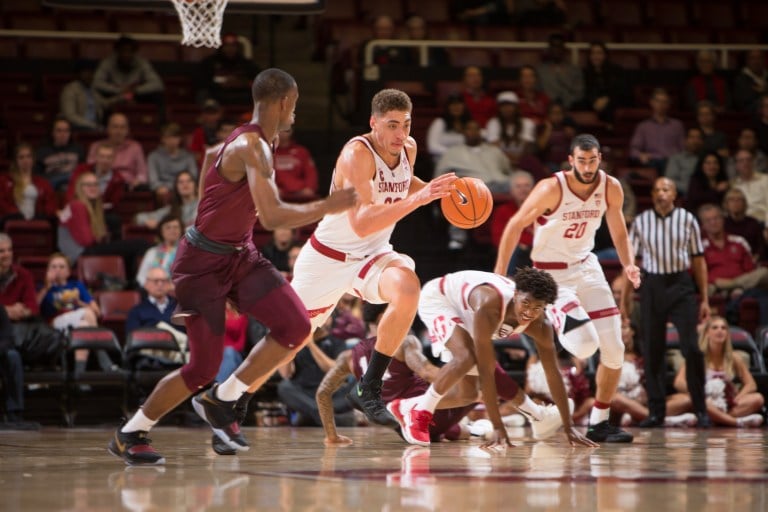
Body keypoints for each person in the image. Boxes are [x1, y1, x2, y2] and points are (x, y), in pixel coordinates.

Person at [107, 68, 357, 465]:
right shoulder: (253, 146)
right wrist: (329, 205)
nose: (297, 110)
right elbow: (273, 218)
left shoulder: (259, 138)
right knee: (202, 367)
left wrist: (216, 209)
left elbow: (209, 156)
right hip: (201, 264)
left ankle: (222, 399)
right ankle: (131, 431)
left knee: (296, 326)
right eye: (296, 103)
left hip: (239, 255)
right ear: (285, 102)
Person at [275, 88, 456, 431]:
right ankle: (233, 397)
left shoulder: (409, 148)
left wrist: (435, 189)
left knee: (407, 288)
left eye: (406, 124)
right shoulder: (357, 154)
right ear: (373, 123)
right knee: (286, 343)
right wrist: (422, 199)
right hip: (328, 258)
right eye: (391, 125)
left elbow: (404, 184)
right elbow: (361, 223)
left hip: (372, 256)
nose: (401, 134)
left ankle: (369, 387)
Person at [494, 134, 641, 443]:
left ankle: (599, 421)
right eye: (581, 160)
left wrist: (628, 264)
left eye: (593, 160)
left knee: (615, 349)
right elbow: (515, 225)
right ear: (571, 160)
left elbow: (618, 229)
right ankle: (550, 320)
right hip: (551, 274)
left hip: (587, 267)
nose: (587, 166)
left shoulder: (610, 187)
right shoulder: (551, 188)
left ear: (600, 158)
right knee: (586, 346)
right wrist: (499, 273)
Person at [398, 268, 596, 448]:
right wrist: (498, 426)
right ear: (516, 294)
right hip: (441, 298)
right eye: (525, 303)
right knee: (466, 357)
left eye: (537, 308)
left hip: (467, 310)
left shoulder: (542, 327)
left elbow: (553, 374)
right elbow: (486, 370)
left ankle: (406, 407)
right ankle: (419, 414)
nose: (528, 313)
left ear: (545, 307)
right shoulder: (491, 305)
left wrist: (569, 426)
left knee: (466, 395)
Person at [317, 302, 547, 446]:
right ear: (385, 316)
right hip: (427, 412)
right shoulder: (403, 341)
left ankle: (473, 426)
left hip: (404, 428)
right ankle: (488, 421)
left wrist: (331, 435)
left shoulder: (347, 357)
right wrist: (458, 374)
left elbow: (323, 393)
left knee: (455, 433)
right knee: (475, 372)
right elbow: (427, 373)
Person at [625, 177, 711, 428]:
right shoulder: (641, 221)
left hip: (681, 284)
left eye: (667, 189)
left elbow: (698, 260)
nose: (662, 193)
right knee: (652, 350)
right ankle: (656, 411)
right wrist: (625, 301)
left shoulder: (688, 219)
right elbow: (631, 264)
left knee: (692, 348)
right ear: (652, 194)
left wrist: (704, 297)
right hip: (652, 284)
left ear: (674, 194)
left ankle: (700, 408)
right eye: (658, 189)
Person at [666, 316, 764, 428]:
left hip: (725, 402)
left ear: (727, 333)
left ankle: (717, 419)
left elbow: (751, 384)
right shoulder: (697, 357)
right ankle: (734, 422)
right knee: (695, 400)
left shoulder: (734, 358)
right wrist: (700, 391)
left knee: (758, 398)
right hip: (704, 400)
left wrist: (738, 397)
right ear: (707, 333)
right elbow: (679, 382)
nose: (720, 331)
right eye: (715, 328)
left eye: (723, 328)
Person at [276, 313, 353, 428]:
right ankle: (322, 415)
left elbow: (335, 370)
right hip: (305, 394)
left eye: (326, 317)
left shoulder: (337, 342)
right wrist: (290, 346)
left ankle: (314, 415)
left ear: (330, 320)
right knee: (284, 387)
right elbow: (286, 374)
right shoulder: (296, 342)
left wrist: (311, 345)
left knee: (357, 384)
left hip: (332, 395)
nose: (321, 321)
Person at [0, 234, 40, 430]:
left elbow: (32, 308)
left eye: (9, 250)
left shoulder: (23, 275)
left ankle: (15, 414)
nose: (6, 255)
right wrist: (7, 310)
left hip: (11, 333)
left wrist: (17, 311)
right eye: (1, 251)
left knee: (13, 356)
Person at [92, 35, 165, 114]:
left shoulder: (141, 63)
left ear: (134, 52)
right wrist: (118, 90)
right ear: (117, 51)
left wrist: (135, 90)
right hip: (114, 95)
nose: (126, 54)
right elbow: (96, 83)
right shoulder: (108, 63)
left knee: (158, 95)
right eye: (123, 51)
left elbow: (158, 84)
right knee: (95, 94)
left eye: (129, 51)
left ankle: (161, 125)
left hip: (135, 95)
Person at [629, 88, 685, 176]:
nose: (661, 105)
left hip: (672, 162)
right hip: (652, 162)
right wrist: (641, 155)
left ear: (669, 104)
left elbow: (683, 149)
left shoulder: (677, 125)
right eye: (658, 101)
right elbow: (633, 150)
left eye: (664, 102)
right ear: (652, 102)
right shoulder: (643, 126)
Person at [86, 112, 148, 190]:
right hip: (103, 187)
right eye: (115, 127)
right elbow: (90, 171)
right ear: (108, 129)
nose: (118, 131)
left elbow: (143, 173)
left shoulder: (135, 147)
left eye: (122, 127)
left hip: (128, 188)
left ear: (127, 130)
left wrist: (138, 181)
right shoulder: (96, 146)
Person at [0, 143, 57, 226]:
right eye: (21, 157)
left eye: (28, 156)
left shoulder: (43, 183)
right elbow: (2, 203)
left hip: (37, 221)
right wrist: (18, 215)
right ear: (16, 160)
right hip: (12, 221)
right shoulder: (4, 180)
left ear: (33, 159)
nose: (25, 160)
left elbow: (50, 205)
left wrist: (46, 214)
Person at [489, 170, 535, 274]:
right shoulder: (502, 211)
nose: (523, 189)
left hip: (537, 250)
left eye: (526, 185)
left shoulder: (541, 209)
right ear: (511, 190)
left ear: (533, 189)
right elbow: (498, 238)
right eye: (518, 186)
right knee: (514, 250)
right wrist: (520, 244)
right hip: (515, 252)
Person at [196, 33, 259, 105]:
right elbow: (201, 81)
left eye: (233, 46)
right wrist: (220, 85)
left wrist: (242, 83)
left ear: (237, 47)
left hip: (240, 94)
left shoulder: (246, 63)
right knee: (203, 94)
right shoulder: (209, 62)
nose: (230, 48)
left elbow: (257, 79)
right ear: (222, 47)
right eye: (227, 46)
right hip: (216, 93)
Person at [147, 122, 198, 202]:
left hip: (185, 187)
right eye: (168, 137)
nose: (172, 140)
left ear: (180, 138)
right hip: (165, 191)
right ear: (162, 138)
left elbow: (193, 176)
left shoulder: (188, 156)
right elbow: (154, 181)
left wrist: (182, 186)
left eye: (175, 137)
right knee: (161, 192)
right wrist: (165, 188)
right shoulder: (154, 156)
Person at [581, 41, 628, 125]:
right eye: (593, 53)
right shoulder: (585, 73)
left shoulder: (616, 70)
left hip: (613, 101)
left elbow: (621, 90)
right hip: (592, 104)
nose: (596, 56)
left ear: (605, 55)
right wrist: (594, 102)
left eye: (599, 53)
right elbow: (586, 91)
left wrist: (607, 99)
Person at [485, 91, 536, 167]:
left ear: (516, 107)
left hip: (522, 159)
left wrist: (517, 160)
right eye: (503, 106)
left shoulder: (527, 123)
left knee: (530, 160)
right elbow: (494, 146)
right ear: (499, 108)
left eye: (510, 105)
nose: (507, 109)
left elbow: (527, 146)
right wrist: (509, 159)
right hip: (500, 160)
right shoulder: (493, 122)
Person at [33, 117, 85, 191]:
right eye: (59, 131)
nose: (63, 134)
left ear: (70, 133)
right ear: (53, 133)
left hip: (73, 186)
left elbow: (82, 172)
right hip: (52, 187)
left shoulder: (78, 149)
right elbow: (38, 176)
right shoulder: (42, 151)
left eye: (66, 131)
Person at [535, 33, 583, 110]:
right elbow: (537, 93)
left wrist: (566, 103)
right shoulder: (540, 70)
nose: (556, 50)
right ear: (549, 49)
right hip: (546, 110)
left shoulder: (575, 70)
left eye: (559, 46)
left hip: (569, 109)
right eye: (554, 46)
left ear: (564, 49)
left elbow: (579, 94)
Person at [135, 215, 183, 288]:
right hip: (153, 292)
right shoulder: (151, 252)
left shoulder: (187, 253)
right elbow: (141, 277)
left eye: (175, 227)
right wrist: (152, 289)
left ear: (181, 230)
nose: (172, 230)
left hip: (179, 293)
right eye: (168, 227)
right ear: (161, 231)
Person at [273, 128, 319, 200]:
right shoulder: (269, 152)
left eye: (286, 129)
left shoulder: (302, 152)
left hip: (301, 194)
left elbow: (311, 173)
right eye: (279, 128)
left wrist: (310, 188)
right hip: (276, 196)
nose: (283, 132)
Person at [426, 94, 470, 164]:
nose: (456, 107)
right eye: (453, 104)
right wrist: (453, 154)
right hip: (442, 160)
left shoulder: (468, 124)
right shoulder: (439, 122)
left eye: (459, 104)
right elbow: (432, 147)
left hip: (465, 160)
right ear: (448, 107)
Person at [665, 127, 704, 198]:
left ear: (702, 141)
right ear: (685, 140)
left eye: (698, 137)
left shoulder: (708, 159)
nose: (695, 141)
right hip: (685, 196)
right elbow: (670, 181)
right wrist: (691, 189)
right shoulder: (676, 158)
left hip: (708, 195)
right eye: (692, 137)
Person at [733, 49, 767, 114]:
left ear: (764, 60)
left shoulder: (766, 76)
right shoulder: (741, 79)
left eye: (759, 58)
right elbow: (742, 103)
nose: (756, 61)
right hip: (750, 116)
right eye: (752, 58)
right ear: (747, 61)